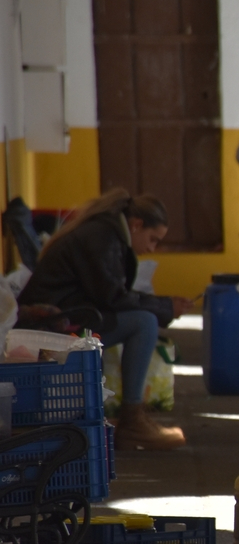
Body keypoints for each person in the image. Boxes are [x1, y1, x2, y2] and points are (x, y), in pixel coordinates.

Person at [20, 190, 193, 451]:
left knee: (141, 318)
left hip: (62, 317)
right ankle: (133, 421)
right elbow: (113, 297)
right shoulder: (102, 237)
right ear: (136, 225)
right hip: (52, 325)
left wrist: (165, 304)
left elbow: (109, 295)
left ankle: (120, 417)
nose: (152, 248)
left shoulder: (104, 232)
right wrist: (164, 306)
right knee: (144, 322)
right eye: (152, 239)